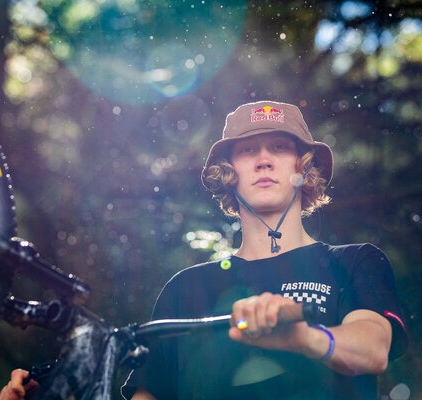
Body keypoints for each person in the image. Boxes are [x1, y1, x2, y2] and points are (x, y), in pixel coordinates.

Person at [121, 100, 408, 400]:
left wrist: (304, 337)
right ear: (227, 172)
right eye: (247, 150)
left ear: (305, 166)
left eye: (280, 147)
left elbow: (374, 349)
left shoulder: (354, 262)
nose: (264, 160)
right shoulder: (184, 289)